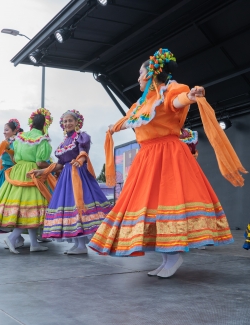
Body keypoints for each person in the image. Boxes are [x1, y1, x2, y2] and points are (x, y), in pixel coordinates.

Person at [89, 48, 247, 278]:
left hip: (168, 154)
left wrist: (191, 96)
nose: (137, 78)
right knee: (150, 208)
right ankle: (167, 258)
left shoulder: (172, 90)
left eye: (140, 73)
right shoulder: (142, 104)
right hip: (147, 157)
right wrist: (112, 128)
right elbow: (129, 120)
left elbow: (179, 101)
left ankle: (173, 256)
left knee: (167, 201)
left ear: (151, 74)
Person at [31, 110, 112, 255]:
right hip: (66, 177)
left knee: (78, 205)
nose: (67, 123)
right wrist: (42, 172)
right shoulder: (64, 142)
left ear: (76, 122)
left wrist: (80, 160)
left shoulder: (81, 137)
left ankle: (81, 245)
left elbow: (83, 153)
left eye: (70, 121)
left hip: (79, 175)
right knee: (70, 207)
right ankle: (77, 244)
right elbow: (60, 164)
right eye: (65, 121)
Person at [0, 108, 53, 254]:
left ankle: (34, 244)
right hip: (33, 173)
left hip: (18, 171)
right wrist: (52, 167)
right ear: (45, 125)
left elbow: (16, 158)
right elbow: (39, 161)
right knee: (31, 209)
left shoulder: (20, 138)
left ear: (31, 123)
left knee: (26, 209)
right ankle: (13, 237)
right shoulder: (42, 140)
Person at [0, 119, 25, 247]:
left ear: (15, 130)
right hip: (4, 175)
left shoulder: (16, 143)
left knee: (12, 207)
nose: (4, 132)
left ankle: (17, 237)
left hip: (12, 175)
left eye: (6, 130)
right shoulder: (8, 143)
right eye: (4, 130)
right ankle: (17, 238)